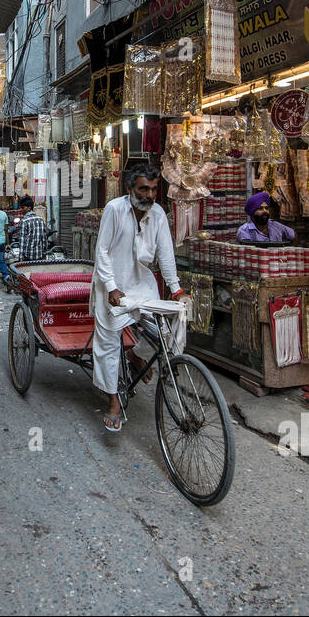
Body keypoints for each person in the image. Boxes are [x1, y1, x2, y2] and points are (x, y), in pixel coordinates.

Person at [92, 164, 187, 433]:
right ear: (129, 189)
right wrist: (110, 287)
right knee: (108, 342)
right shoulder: (114, 209)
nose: (149, 194)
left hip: (142, 285)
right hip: (111, 286)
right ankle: (113, 402)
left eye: (154, 189)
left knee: (166, 327)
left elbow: (166, 256)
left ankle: (143, 360)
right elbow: (102, 252)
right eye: (144, 188)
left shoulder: (157, 214)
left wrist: (176, 288)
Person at [13, 196, 48, 262]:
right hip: (39, 255)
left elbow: (22, 240)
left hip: (27, 256)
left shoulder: (24, 221)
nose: (21, 209)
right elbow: (44, 238)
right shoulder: (41, 220)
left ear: (29, 208)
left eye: (23, 207)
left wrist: (20, 257)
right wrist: (44, 253)